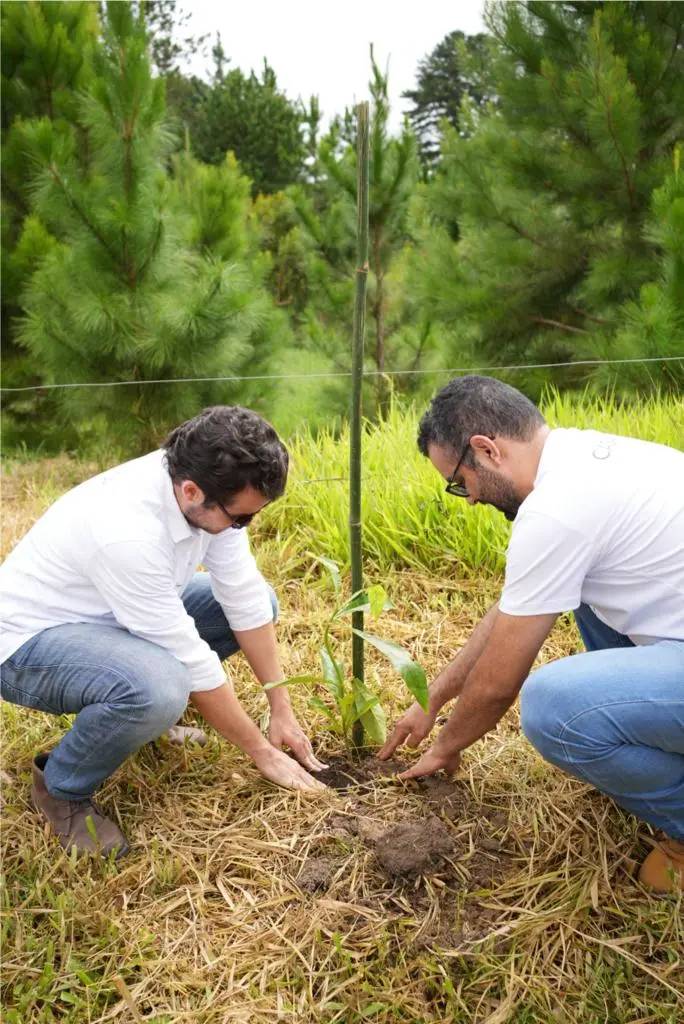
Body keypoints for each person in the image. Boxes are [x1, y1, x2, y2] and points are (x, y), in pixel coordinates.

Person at [379, 376, 684, 893]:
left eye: (460, 482)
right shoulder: (587, 458)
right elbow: (514, 608)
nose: (469, 500)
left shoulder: (556, 510)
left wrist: (448, 746)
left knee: (554, 708)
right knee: (580, 594)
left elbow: (500, 684)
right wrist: (432, 698)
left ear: (486, 450)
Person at [0, 405, 326, 859]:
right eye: (240, 518)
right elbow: (193, 662)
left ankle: (137, 716)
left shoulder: (207, 488)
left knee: (261, 602)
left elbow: (243, 596)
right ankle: (62, 788)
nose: (243, 526)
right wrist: (261, 752)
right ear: (192, 492)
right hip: (30, 643)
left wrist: (280, 704)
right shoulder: (126, 532)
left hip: (116, 614)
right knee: (161, 687)